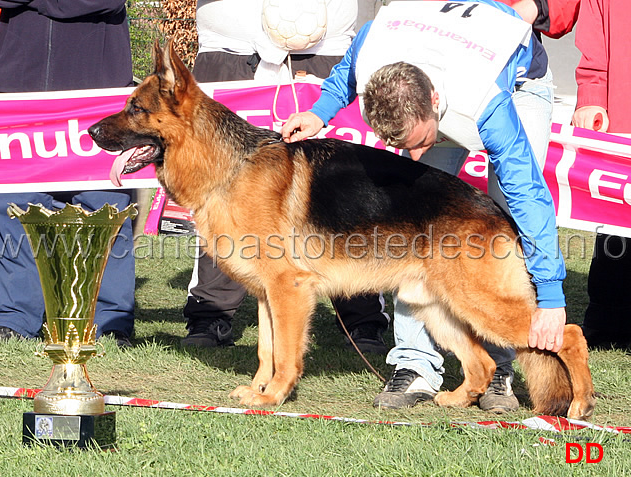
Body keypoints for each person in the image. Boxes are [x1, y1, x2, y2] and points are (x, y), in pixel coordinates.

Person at [282, 0, 566, 413]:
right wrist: (318, 112)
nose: (413, 158)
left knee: (504, 217)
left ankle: (501, 367)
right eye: (402, 147)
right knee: (411, 225)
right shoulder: (372, 47)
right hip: (429, 58)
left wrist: (552, 297)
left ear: (435, 100)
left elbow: (530, 196)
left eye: (418, 143)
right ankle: (415, 364)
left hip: (516, 82)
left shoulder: (482, 102)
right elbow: (345, 75)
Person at [182, 0, 390, 354]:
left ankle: (362, 316)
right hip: (231, 55)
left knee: (341, 190)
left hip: (325, 51)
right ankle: (210, 310)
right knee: (223, 191)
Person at [0, 0, 136, 348]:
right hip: (17, 92)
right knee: (16, 213)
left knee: (106, 214)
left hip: (96, 93)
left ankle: (110, 321)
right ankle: (15, 318)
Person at [571, 0, 631, 350]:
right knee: (615, 221)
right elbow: (595, 34)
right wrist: (590, 97)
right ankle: (607, 321)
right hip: (622, 114)